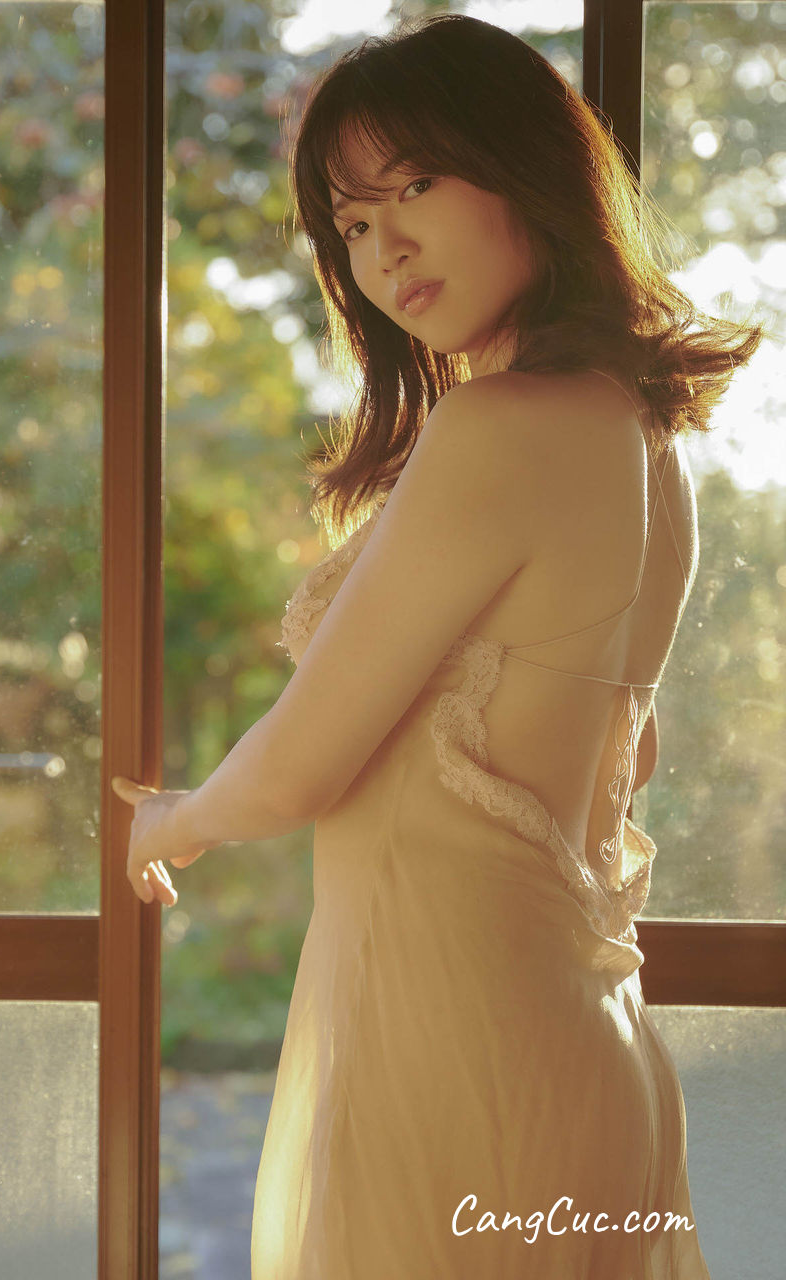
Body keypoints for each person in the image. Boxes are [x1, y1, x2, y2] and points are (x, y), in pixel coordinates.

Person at [114, 12, 770, 1278]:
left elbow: (299, 766)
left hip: (454, 1051)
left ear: (527, 167)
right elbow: (620, 760)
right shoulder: (641, 435)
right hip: (574, 1044)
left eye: (414, 185)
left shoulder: (497, 428)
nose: (384, 247)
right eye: (352, 222)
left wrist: (170, 820)